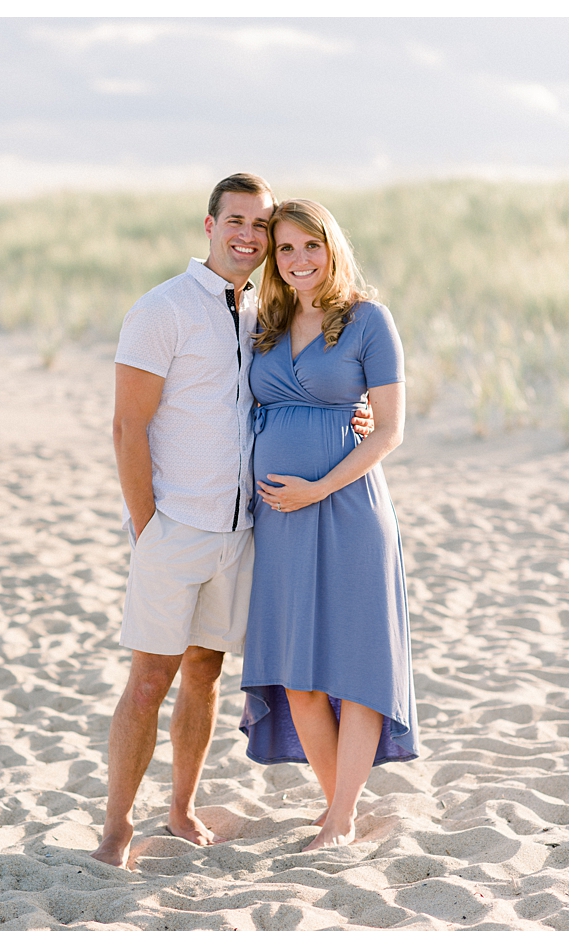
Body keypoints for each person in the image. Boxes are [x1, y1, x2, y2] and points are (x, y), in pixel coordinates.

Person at [92, 174, 371, 869]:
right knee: (149, 678)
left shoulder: (260, 317)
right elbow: (128, 426)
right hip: (174, 528)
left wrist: (353, 416)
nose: (250, 236)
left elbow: (291, 396)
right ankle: (116, 826)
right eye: (236, 220)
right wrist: (147, 523)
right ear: (210, 225)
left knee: (205, 674)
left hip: (243, 531)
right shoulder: (162, 308)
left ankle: (181, 807)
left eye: (261, 225)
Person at [239, 199, 415, 853]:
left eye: (309, 246)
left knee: (358, 664)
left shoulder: (369, 320)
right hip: (279, 522)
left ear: (331, 247)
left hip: (348, 511)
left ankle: (340, 817)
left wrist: (318, 484)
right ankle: (333, 801)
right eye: (285, 249)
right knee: (298, 675)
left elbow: (390, 430)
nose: (298, 260)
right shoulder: (265, 321)